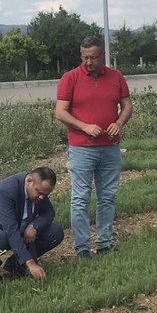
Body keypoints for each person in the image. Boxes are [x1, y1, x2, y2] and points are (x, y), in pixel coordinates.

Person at [55, 35, 132, 258]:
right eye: (85, 57)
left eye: (93, 57)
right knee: (80, 197)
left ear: (102, 55)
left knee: (107, 196)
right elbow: (60, 112)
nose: (89, 62)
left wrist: (118, 123)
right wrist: (84, 126)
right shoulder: (70, 78)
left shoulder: (116, 77)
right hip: (82, 148)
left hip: (109, 147)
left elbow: (127, 105)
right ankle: (82, 248)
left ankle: (105, 243)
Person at [0, 166, 63, 283]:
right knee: (1, 238)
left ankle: (15, 264)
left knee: (55, 232)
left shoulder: (38, 190)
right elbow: (10, 229)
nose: (42, 197)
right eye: (39, 192)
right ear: (29, 181)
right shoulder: (5, 190)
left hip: (18, 227)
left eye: (46, 195)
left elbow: (49, 212)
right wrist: (30, 263)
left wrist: (35, 225)